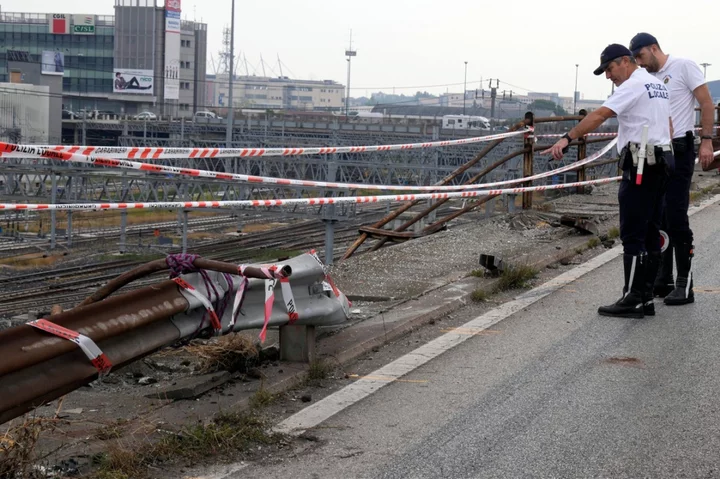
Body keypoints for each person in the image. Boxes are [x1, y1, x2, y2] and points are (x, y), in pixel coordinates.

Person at [543, 44, 672, 319]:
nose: (608, 76)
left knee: (633, 233)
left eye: (610, 69)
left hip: (641, 165)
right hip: (661, 162)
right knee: (651, 231)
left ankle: (633, 298)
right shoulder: (656, 84)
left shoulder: (633, 85)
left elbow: (601, 115)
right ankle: (645, 297)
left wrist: (567, 138)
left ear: (626, 61)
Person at [629, 32, 715, 306]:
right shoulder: (645, 77)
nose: (640, 63)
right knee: (659, 215)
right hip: (658, 149)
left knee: (676, 215)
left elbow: (706, 103)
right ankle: (663, 279)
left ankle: (685, 284)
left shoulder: (683, 66)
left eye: (641, 57)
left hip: (681, 147)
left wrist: (707, 141)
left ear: (654, 48)